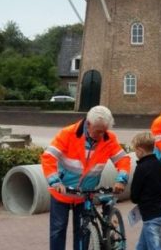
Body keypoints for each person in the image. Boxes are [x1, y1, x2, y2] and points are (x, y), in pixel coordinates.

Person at [41, 105, 131, 250]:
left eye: (104, 131)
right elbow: (48, 157)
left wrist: (121, 179)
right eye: (98, 131)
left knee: (83, 230)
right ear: (88, 124)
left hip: (86, 193)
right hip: (62, 191)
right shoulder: (68, 133)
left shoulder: (109, 138)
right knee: (58, 230)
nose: (101, 135)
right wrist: (55, 181)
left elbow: (123, 160)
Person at [130, 132, 161, 250]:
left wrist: (140, 198)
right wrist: (158, 192)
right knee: (142, 246)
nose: (135, 153)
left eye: (135, 151)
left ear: (140, 150)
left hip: (150, 214)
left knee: (155, 246)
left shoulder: (141, 168)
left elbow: (134, 194)